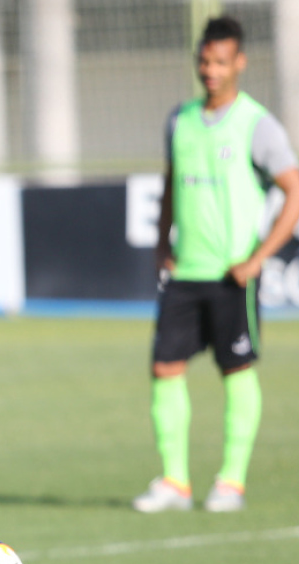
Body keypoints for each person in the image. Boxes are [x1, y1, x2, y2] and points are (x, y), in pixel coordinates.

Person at [133, 15, 299, 513]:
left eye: (220, 62)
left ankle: (231, 482)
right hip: (186, 271)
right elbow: (170, 184)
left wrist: (259, 257)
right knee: (165, 368)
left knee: (237, 369)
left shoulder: (257, 123)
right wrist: (163, 243)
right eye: (204, 61)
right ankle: (175, 483)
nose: (210, 70)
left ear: (239, 63)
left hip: (232, 274)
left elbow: (293, 191)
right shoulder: (179, 120)